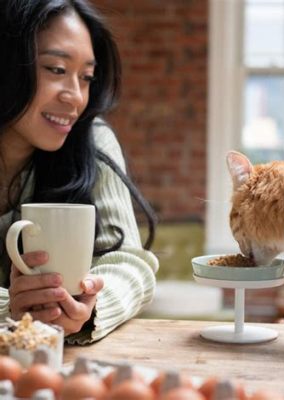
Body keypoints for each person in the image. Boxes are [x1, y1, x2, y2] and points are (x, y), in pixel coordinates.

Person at [0, 0, 159, 344]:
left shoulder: (91, 139)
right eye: (56, 69)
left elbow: (131, 263)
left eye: (86, 77)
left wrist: (86, 305)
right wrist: (8, 310)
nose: (75, 97)